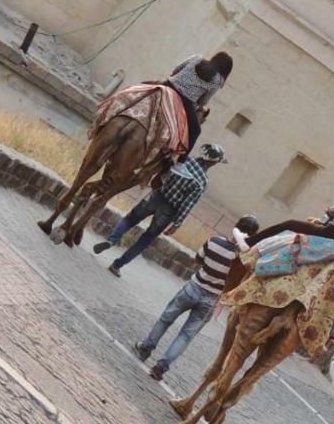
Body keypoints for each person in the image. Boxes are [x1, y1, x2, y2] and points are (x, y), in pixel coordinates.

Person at [135, 214, 260, 380]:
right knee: (186, 335)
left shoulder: (214, 241)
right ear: (253, 235)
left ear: (236, 225)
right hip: (212, 299)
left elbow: (198, 258)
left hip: (194, 287)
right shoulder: (244, 260)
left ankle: (146, 348)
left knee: (166, 318)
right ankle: (161, 367)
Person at [93, 143, 224, 276]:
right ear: (213, 163)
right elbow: (187, 204)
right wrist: (176, 224)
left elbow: (164, 173)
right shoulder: (202, 181)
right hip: (168, 211)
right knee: (145, 239)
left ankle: (111, 240)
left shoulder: (184, 160)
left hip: (156, 196)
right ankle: (117, 265)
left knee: (130, 219)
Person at [167, 52, 231, 154]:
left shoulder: (197, 58)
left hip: (168, 85)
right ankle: (180, 162)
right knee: (196, 131)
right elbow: (203, 101)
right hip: (184, 100)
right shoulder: (218, 80)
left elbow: (176, 70)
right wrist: (202, 107)